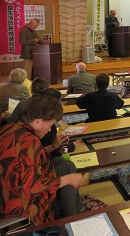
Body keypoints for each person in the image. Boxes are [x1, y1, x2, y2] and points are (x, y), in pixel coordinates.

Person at [0, 96, 84, 225]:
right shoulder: (29, 142)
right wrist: (68, 179)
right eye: (50, 125)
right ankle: (71, 222)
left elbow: (27, 160)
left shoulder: (11, 128)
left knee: (63, 164)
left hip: (7, 188)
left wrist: (53, 146)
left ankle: (72, 211)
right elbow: (33, 187)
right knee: (68, 174)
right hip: (17, 201)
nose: (50, 130)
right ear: (37, 122)